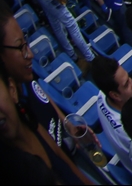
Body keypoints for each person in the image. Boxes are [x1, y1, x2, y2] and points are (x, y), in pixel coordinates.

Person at [0, 45, 93, 185]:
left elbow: (66, 163)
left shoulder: (28, 119)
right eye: (20, 47)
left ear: (12, 90)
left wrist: (67, 124)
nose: (29, 54)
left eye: (24, 45)